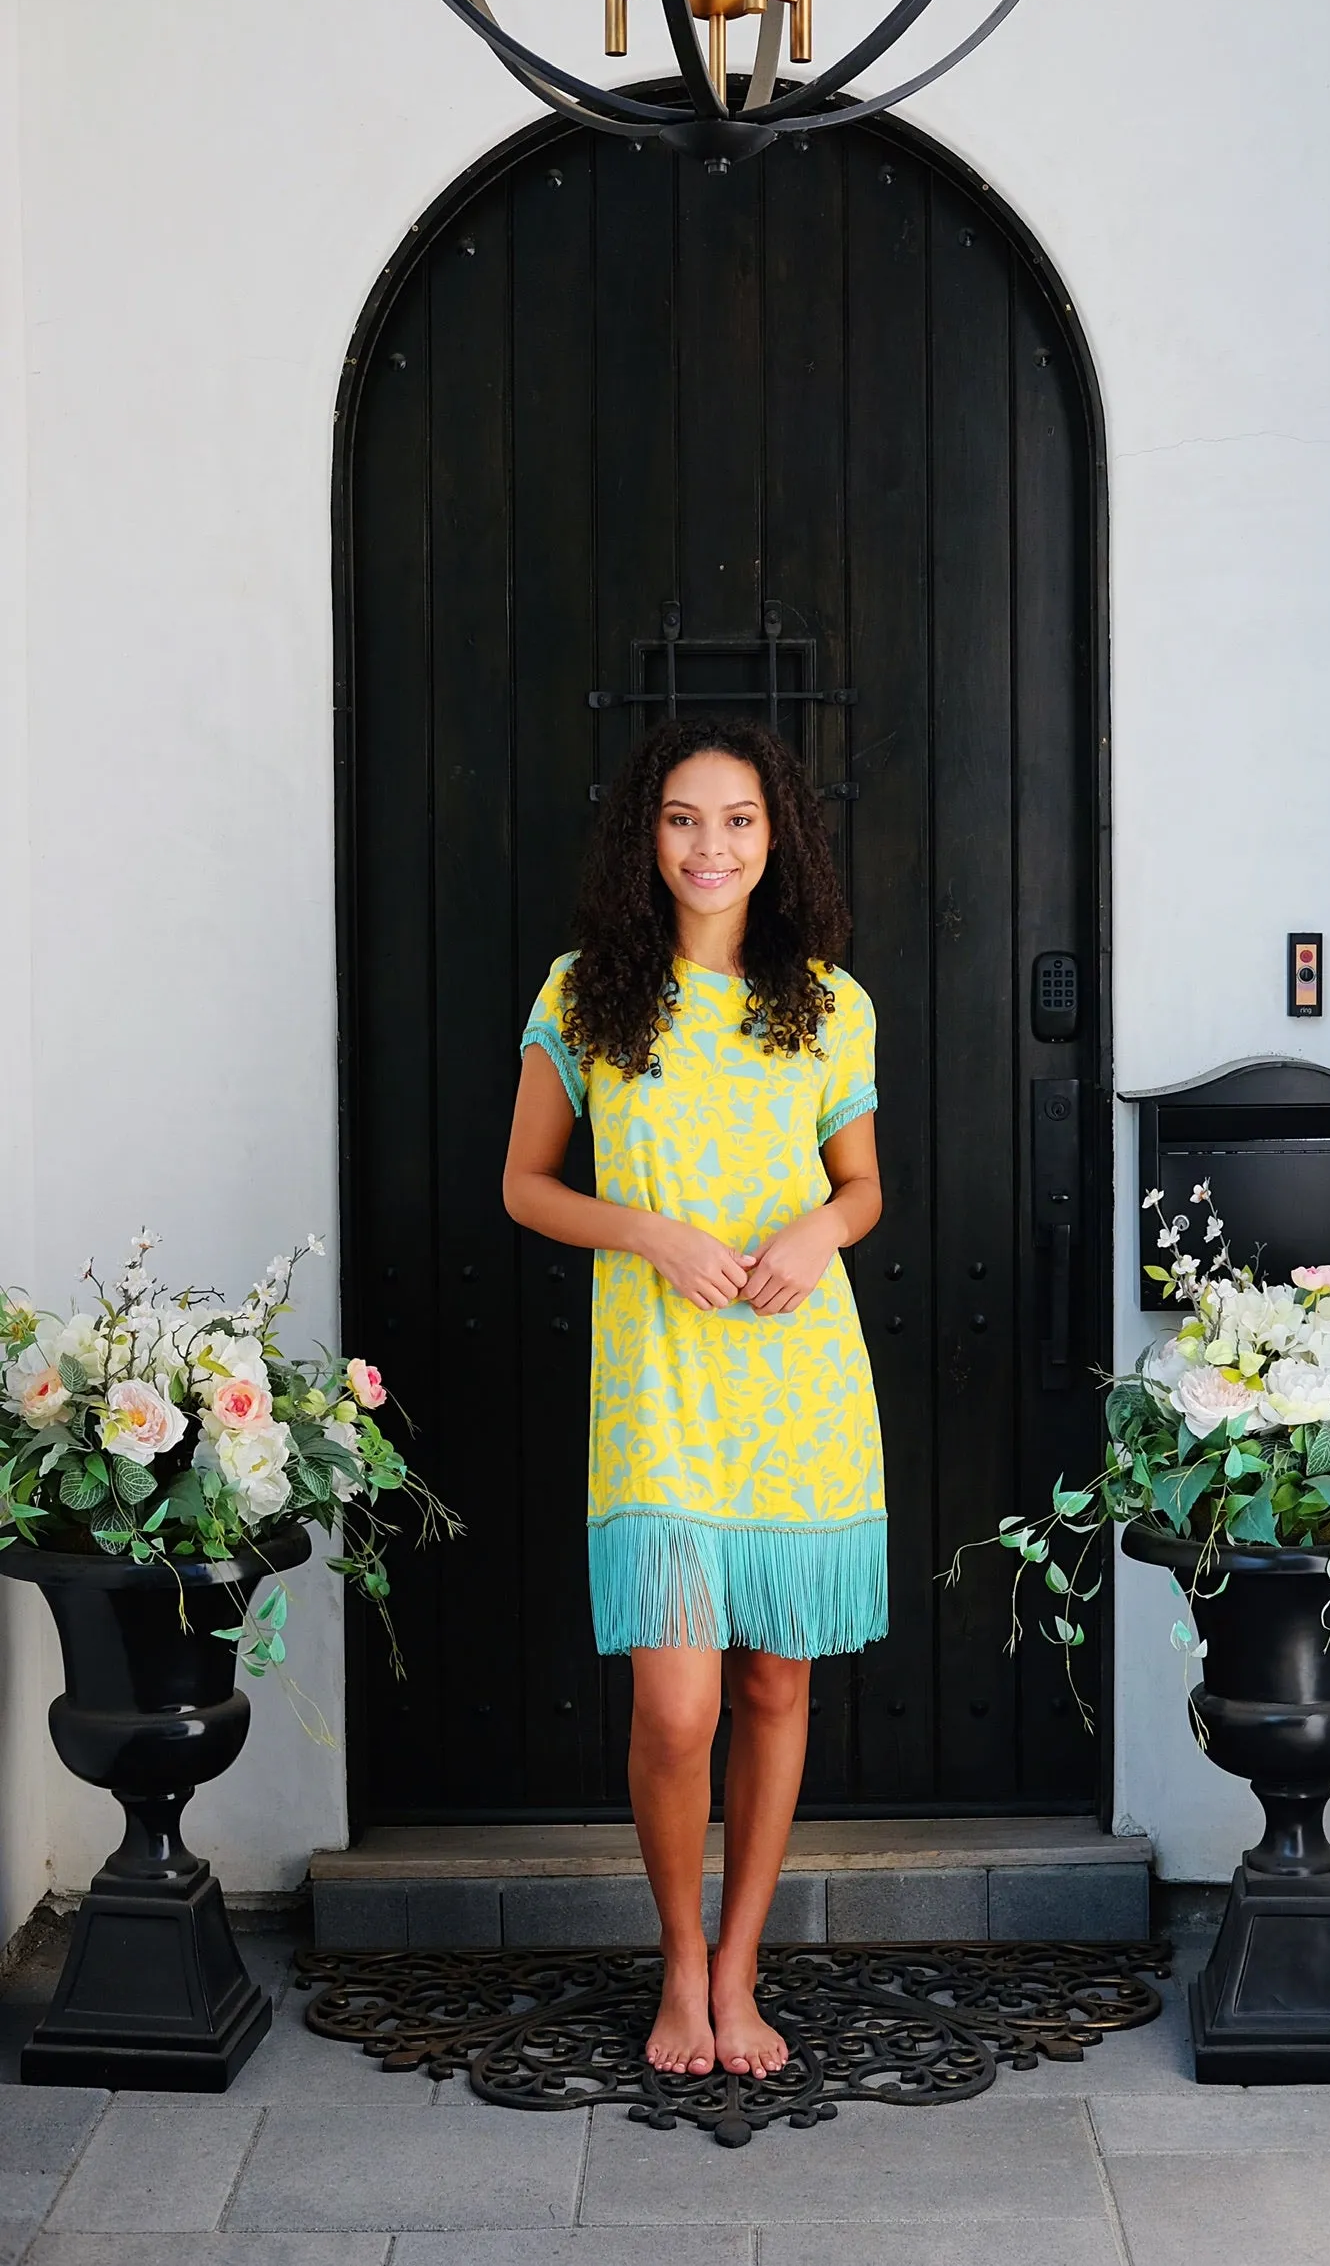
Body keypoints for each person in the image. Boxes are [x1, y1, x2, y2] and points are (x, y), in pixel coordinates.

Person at [502, 716, 887, 2085]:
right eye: (681, 819)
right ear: (645, 837)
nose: (709, 845)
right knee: (676, 1708)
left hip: (799, 1379)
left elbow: (862, 1187)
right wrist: (648, 1232)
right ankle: (678, 1958)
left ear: (777, 839)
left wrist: (818, 1235)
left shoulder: (830, 1003)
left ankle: (741, 1970)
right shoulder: (584, 994)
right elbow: (525, 1186)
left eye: (736, 820)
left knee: (776, 1682)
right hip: (657, 1389)